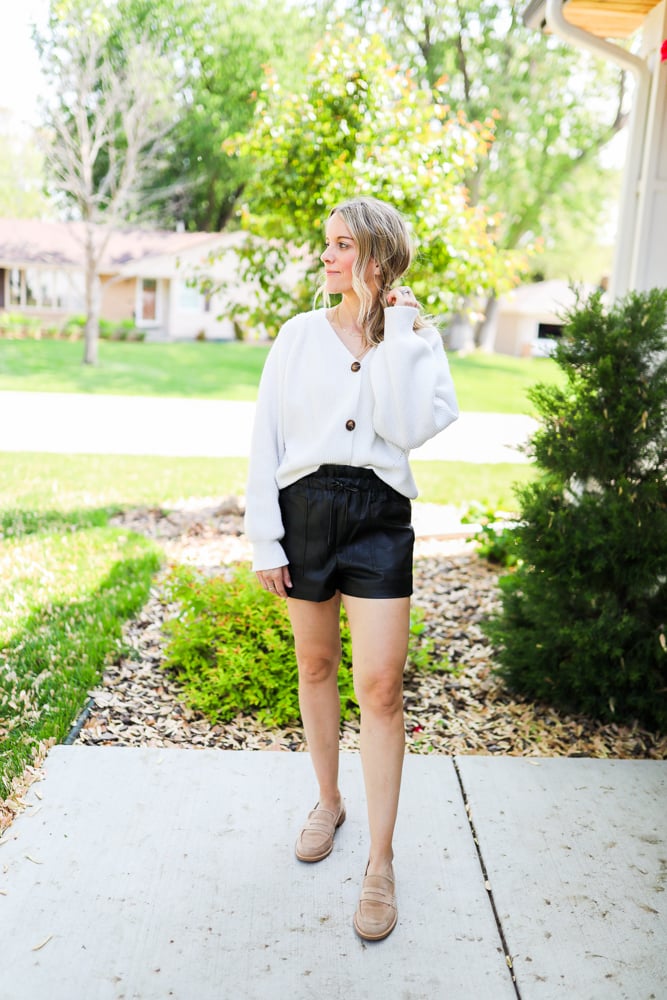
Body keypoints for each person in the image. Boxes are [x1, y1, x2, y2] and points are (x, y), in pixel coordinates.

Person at [244, 196, 459, 941]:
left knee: (381, 686)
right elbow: (264, 439)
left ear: (375, 256)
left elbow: (404, 426)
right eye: (326, 244)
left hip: (377, 518)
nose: (327, 257)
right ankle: (328, 801)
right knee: (314, 666)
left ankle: (380, 860)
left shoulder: (416, 340)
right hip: (303, 512)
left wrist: (394, 329)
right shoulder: (298, 335)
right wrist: (264, 540)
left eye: (342, 246)